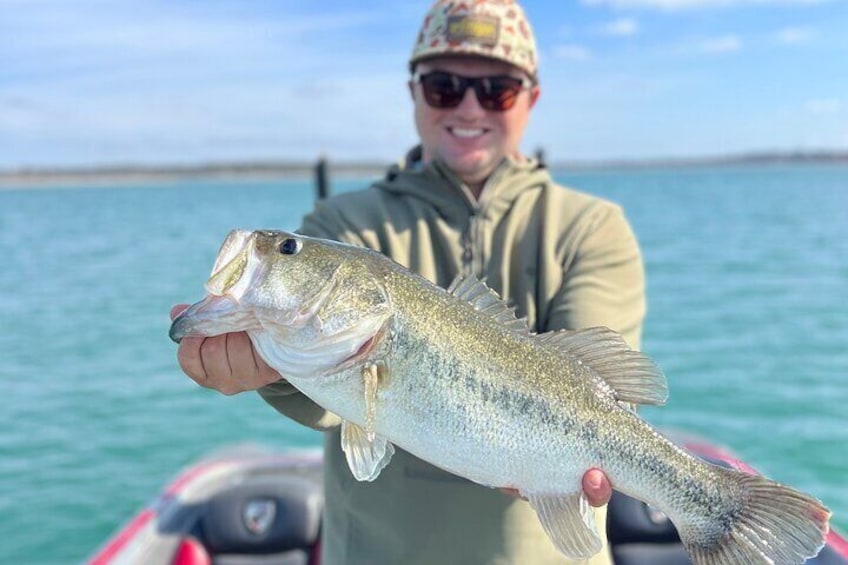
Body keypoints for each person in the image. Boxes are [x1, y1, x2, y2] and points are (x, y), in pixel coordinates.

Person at [172, 1, 645, 563]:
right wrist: (271, 371)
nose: (470, 106)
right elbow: (335, 394)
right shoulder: (341, 226)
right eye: (444, 86)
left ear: (532, 99)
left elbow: (600, 383)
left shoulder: (592, 227)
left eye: (497, 90)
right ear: (414, 91)